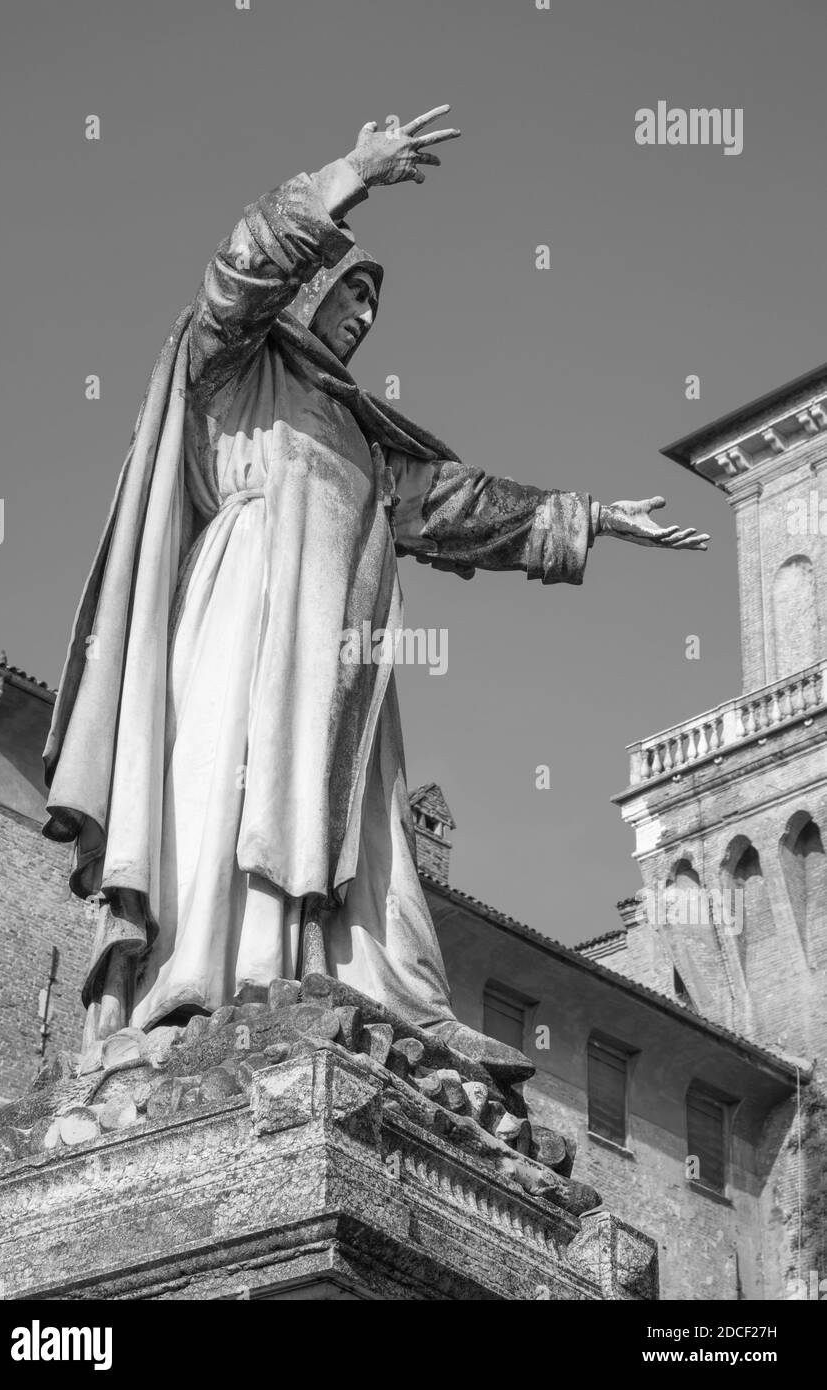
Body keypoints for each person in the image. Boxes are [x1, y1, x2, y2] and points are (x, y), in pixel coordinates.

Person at [43, 106, 708, 1075]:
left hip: (343, 663)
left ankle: (335, 984)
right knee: (223, 787)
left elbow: (462, 506)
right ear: (306, 287)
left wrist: (594, 515)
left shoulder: (362, 437)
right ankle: (206, 979)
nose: (360, 320)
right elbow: (238, 271)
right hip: (241, 617)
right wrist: (350, 173)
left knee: (348, 813)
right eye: (349, 296)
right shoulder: (230, 368)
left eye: (372, 311)